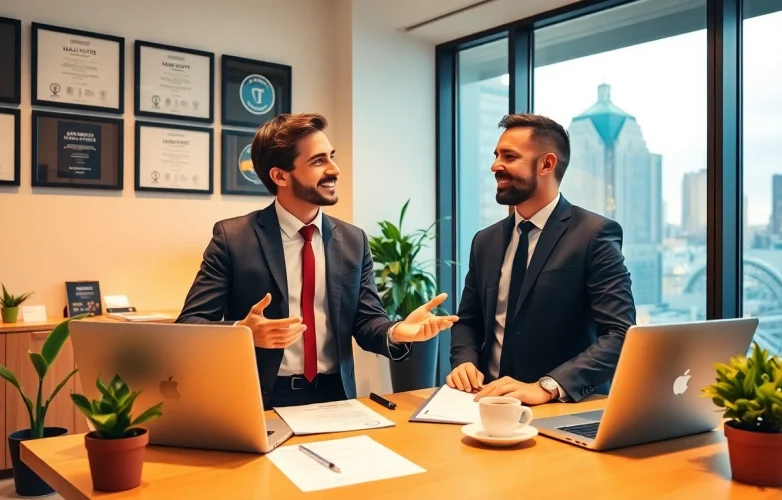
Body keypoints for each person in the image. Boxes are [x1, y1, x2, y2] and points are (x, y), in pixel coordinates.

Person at [176, 112, 458, 409]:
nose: (335, 169)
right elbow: (189, 325)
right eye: (318, 161)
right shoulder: (232, 238)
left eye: (331, 157)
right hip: (262, 399)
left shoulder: (354, 240)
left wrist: (397, 331)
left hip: (336, 396)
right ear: (280, 176)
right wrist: (243, 332)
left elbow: (366, 321)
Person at [447, 113, 635, 405]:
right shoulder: (485, 241)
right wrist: (464, 361)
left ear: (547, 164)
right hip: (485, 403)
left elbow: (620, 333)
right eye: (496, 156)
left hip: (559, 407)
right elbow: (468, 322)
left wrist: (547, 387)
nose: (495, 165)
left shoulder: (594, 234)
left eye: (509, 156)